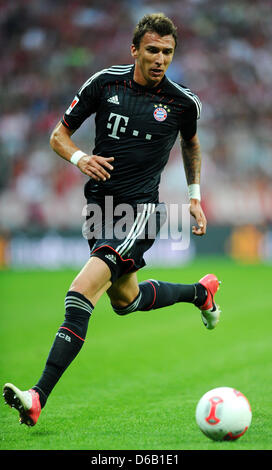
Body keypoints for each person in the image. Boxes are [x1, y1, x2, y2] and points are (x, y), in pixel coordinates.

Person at [3, 13, 221, 427]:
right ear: (135, 49)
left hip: (140, 213)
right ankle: (200, 293)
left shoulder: (182, 101)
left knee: (81, 290)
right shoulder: (104, 84)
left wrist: (194, 198)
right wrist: (81, 158)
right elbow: (58, 136)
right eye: (153, 50)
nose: (161, 60)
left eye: (168, 52)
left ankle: (37, 395)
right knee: (126, 300)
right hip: (98, 210)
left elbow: (192, 145)